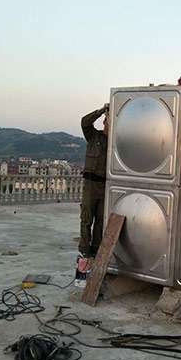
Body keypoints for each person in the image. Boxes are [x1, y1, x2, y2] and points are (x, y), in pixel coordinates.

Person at [75, 103, 109, 287]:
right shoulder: (93, 136)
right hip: (90, 184)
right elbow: (85, 122)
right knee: (86, 218)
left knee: (101, 221)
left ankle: (95, 252)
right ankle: (84, 252)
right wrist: (101, 110)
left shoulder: (115, 143)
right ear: (104, 122)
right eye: (108, 121)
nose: (109, 124)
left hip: (105, 185)